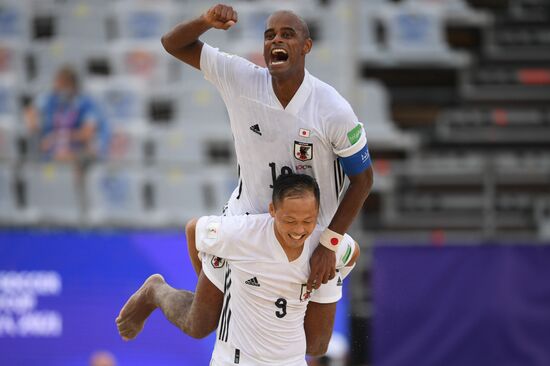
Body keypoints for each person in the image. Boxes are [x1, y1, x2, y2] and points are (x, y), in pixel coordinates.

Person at [117, 174, 360, 365]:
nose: (298, 229)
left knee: (318, 346)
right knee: (198, 324)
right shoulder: (243, 233)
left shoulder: (325, 242)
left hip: (290, 361)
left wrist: (322, 280)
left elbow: (352, 254)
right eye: (290, 221)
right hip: (235, 360)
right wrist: (211, 282)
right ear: (273, 211)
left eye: (307, 221)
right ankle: (155, 290)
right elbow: (194, 230)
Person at [24, 65, 109, 163]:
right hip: (52, 152)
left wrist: (57, 137)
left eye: (62, 85)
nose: (57, 88)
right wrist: (36, 130)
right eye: (57, 84)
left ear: (72, 85)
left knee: (85, 152)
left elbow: (87, 133)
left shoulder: (86, 103)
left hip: (76, 151)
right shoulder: (51, 98)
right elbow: (30, 111)